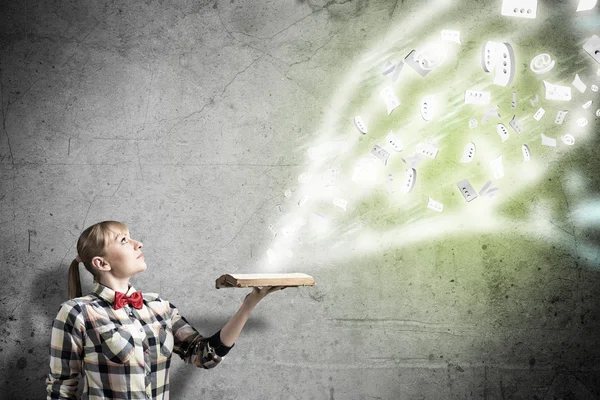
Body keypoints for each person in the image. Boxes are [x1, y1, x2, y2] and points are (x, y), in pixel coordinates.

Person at [46, 220, 283, 399]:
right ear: (102, 263)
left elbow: (204, 356)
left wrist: (249, 303)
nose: (139, 243)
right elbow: (61, 389)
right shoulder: (77, 313)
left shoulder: (160, 307)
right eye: (124, 241)